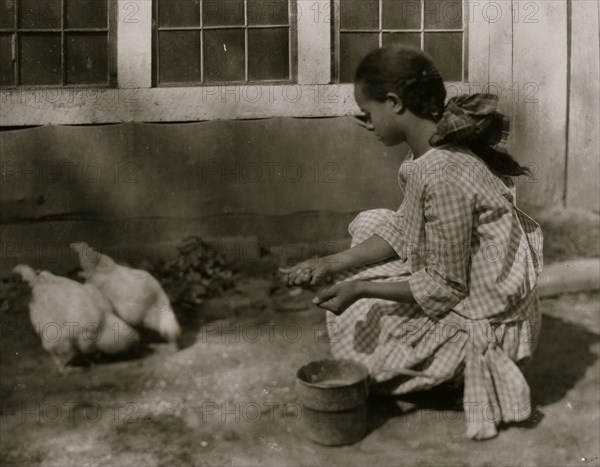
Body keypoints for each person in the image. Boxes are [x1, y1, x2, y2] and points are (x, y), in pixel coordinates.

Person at [280, 45, 543, 440]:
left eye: (368, 113)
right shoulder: (433, 153)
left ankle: (453, 380)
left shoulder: (443, 174)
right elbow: (403, 229)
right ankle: (431, 366)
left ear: (394, 103)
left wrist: (362, 287)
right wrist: (330, 263)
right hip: (466, 284)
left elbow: (445, 286)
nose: (367, 125)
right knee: (372, 225)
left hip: (486, 317)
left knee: (358, 312)